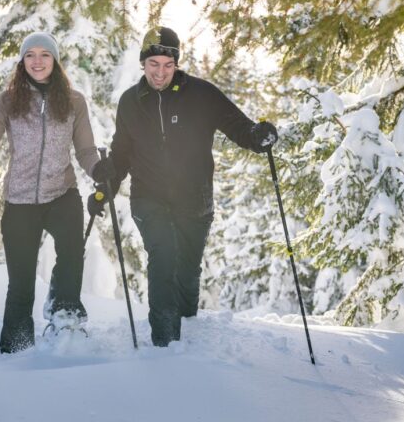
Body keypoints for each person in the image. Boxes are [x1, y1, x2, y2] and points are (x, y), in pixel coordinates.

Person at [88, 27, 278, 347]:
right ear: (143, 63)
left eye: (167, 64)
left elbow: (237, 126)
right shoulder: (131, 103)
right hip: (148, 196)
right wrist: (107, 183)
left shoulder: (202, 94)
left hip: (195, 198)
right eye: (153, 64)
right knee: (163, 256)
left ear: (176, 63)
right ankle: (164, 342)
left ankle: (188, 324)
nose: (160, 72)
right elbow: (121, 154)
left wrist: (258, 136)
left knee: (188, 270)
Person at [0, 32, 102, 354]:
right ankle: (16, 350)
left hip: (62, 193)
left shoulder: (74, 100)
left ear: (55, 61)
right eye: (30, 55)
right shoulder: (8, 100)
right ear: (22, 62)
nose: (37, 61)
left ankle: (64, 314)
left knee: (71, 257)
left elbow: (85, 151)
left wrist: (99, 171)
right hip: (20, 201)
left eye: (44, 55)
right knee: (21, 283)